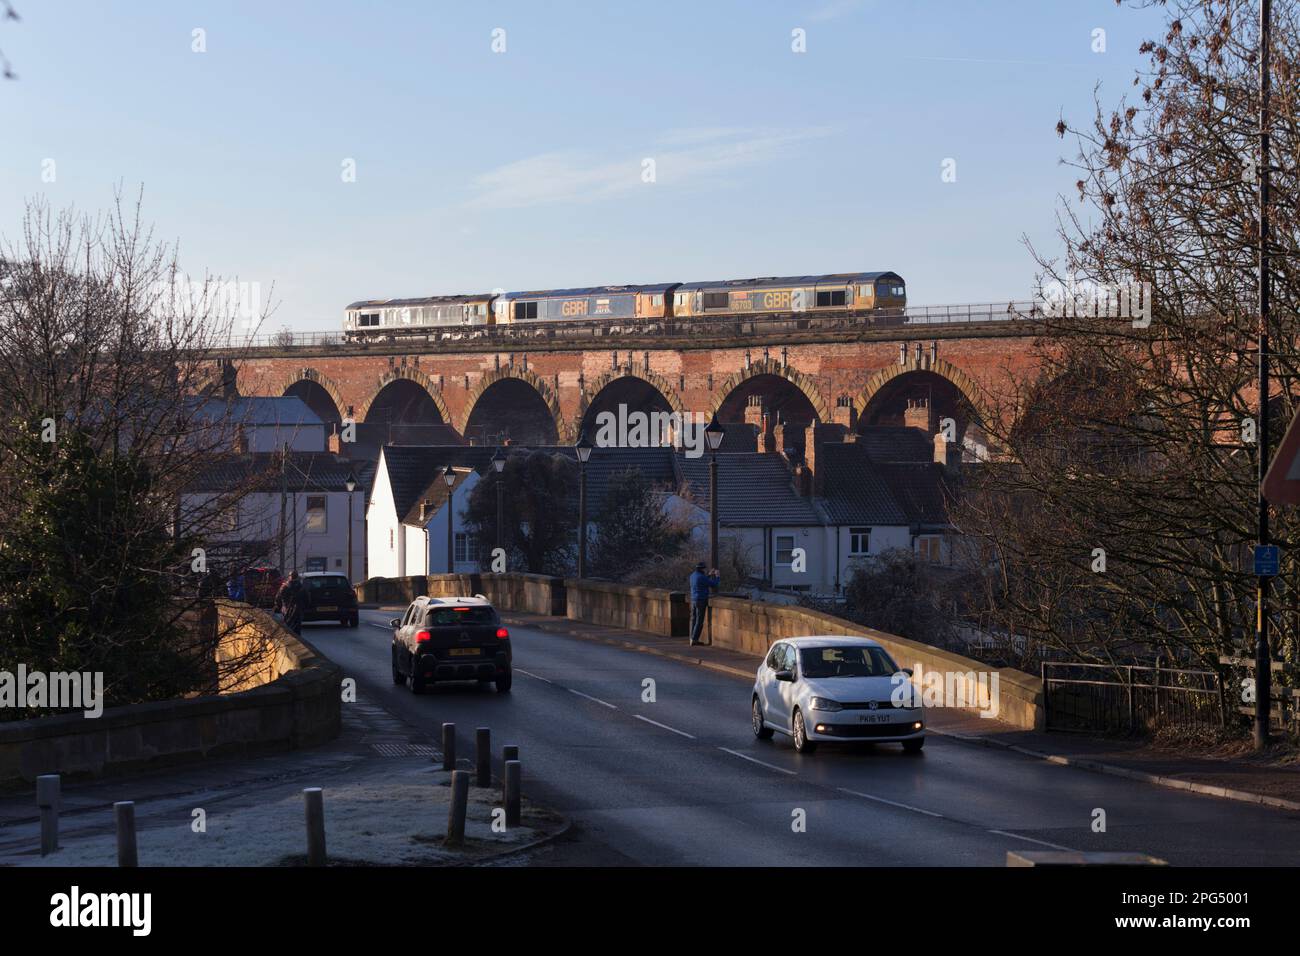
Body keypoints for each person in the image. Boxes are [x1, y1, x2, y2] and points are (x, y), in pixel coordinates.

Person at [688, 561, 720, 647]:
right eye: (704, 569)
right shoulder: (702, 577)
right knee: (699, 620)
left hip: (693, 599)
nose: (705, 570)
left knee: (693, 619)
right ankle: (694, 639)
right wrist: (717, 576)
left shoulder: (692, 576)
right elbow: (714, 584)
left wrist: (709, 575)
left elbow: (702, 580)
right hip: (701, 600)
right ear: (702, 569)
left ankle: (691, 637)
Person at [275, 570, 306, 635]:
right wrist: (303, 608)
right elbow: (307, 599)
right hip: (298, 610)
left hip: (286, 610)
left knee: (287, 629)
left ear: (289, 577)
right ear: (297, 577)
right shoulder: (302, 587)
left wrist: (280, 608)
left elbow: (277, 599)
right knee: (297, 630)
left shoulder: (284, 586)